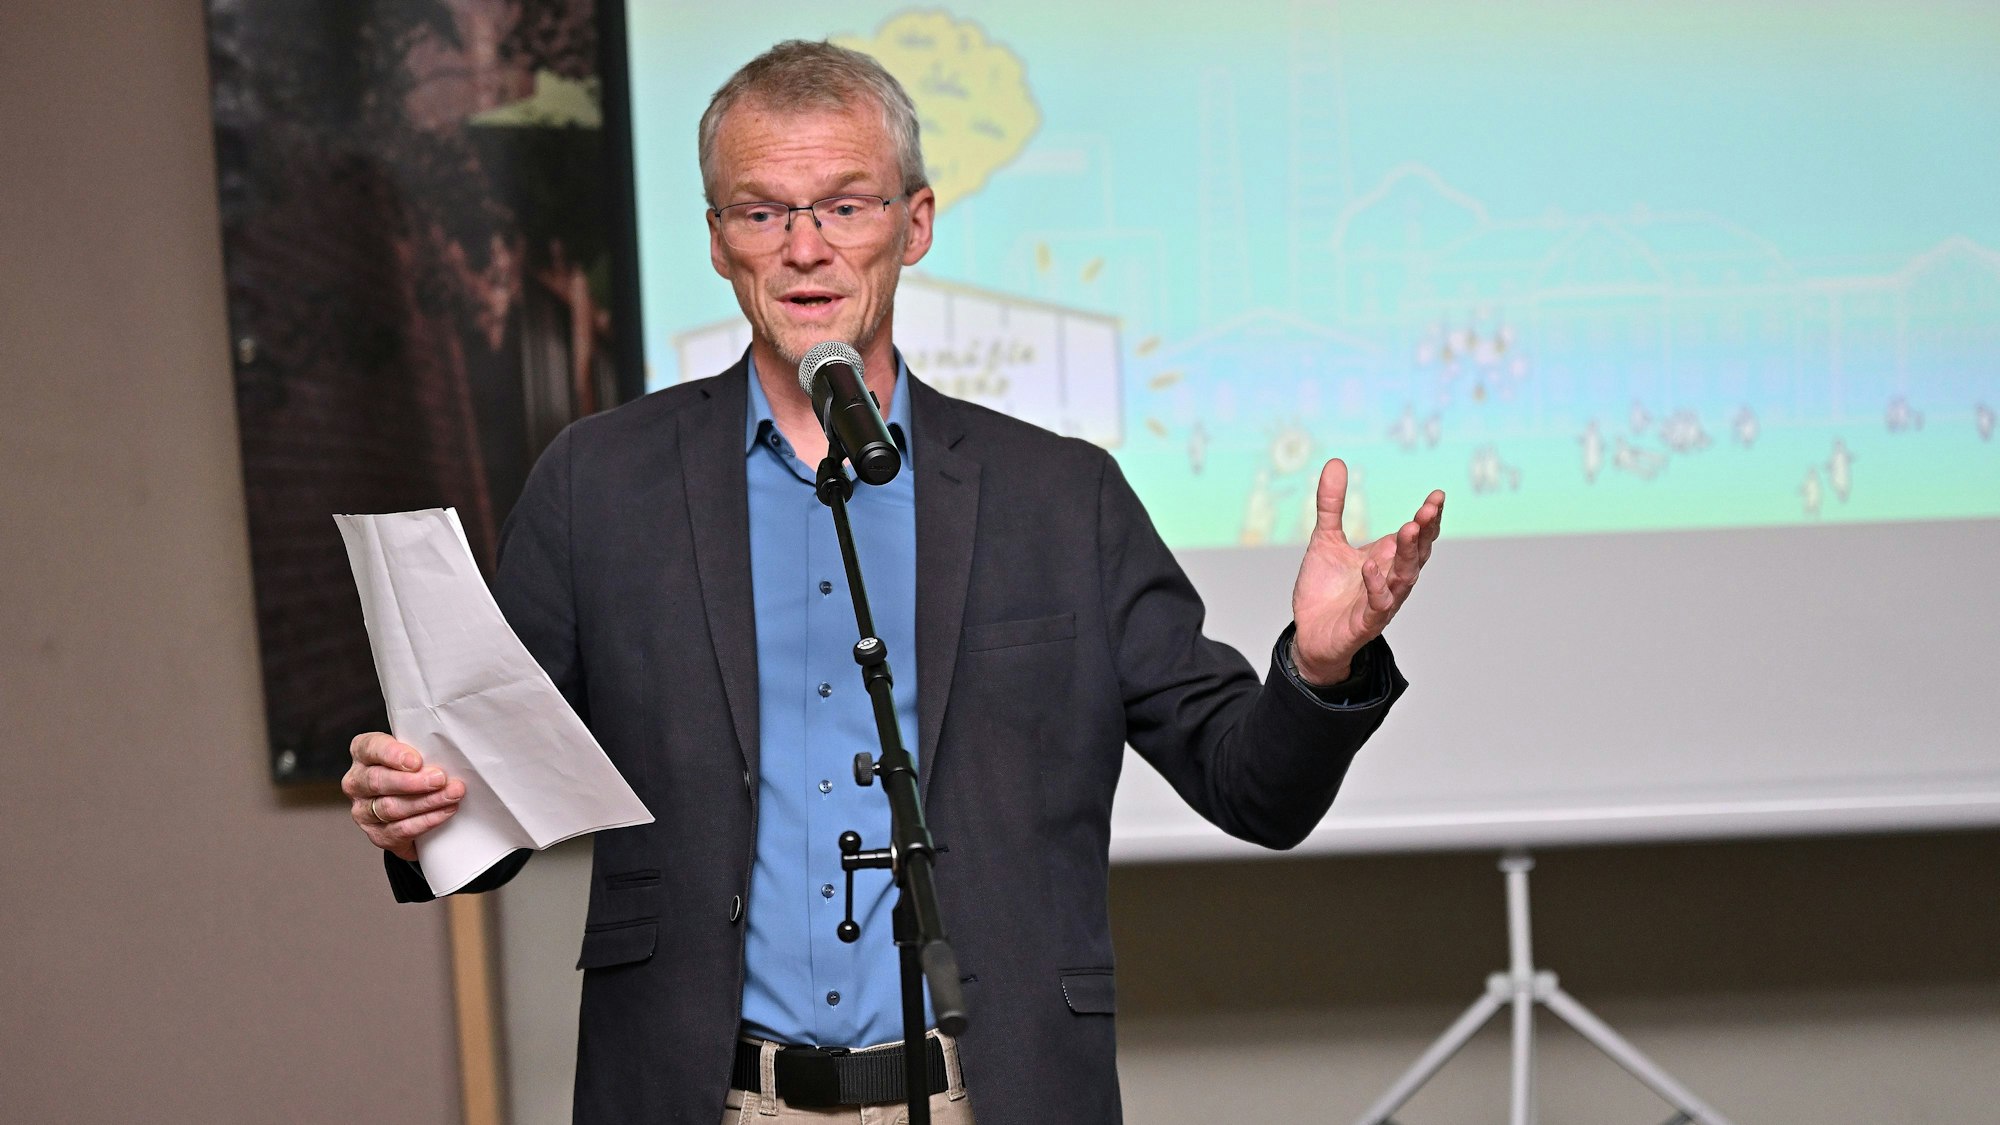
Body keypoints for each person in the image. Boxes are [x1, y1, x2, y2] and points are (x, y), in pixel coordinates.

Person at [343, 40, 1444, 1125]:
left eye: (844, 205)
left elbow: (1252, 790)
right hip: (701, 1094)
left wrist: (1316, 664)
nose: (803, 249)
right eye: (761, 212)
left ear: (913, 226)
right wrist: (420, 814)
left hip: (986, 1094)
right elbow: (488, 788)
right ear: (719, 241)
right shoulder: (599, 484)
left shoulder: (1060, 497)